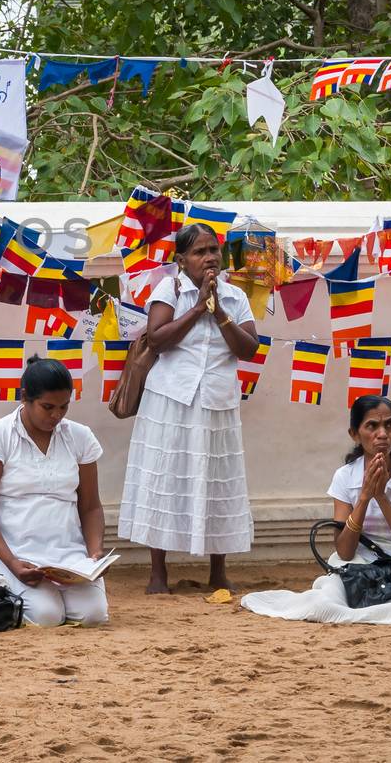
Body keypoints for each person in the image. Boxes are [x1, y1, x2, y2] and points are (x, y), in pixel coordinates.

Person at [118, 221, 262, 594]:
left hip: (216, 402)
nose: (210, 258)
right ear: (181, 260)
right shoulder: (169, 289)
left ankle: (218, 572)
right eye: (200, 252)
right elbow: (159, 339)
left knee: (216, 482)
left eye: (213, 250)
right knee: (163, 480)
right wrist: (198, 308)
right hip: (170, 400)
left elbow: (248, 349)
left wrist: (218, 313)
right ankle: (158, 574)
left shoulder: (235, 296)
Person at [240, 395, 391, 624]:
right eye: (372, 426)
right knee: (327, 594)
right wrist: (364, 497)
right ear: (355, 434)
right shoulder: (344, 476)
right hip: (357, 566)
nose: (382, 433)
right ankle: (378, 614)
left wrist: (381, 497)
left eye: (389, 425)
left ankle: (351, 615)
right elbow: (345, 551)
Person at [0, 357, 109, 628]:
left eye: (64, 407)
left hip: (69, 556)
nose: (56, 415)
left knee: (93, 616)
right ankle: (1, 580)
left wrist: (94, 554)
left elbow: (90, 505)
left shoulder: (80, 437)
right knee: (46, 616)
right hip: (16, 553)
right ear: (25, 398)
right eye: (47, 407)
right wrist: (12, 562)